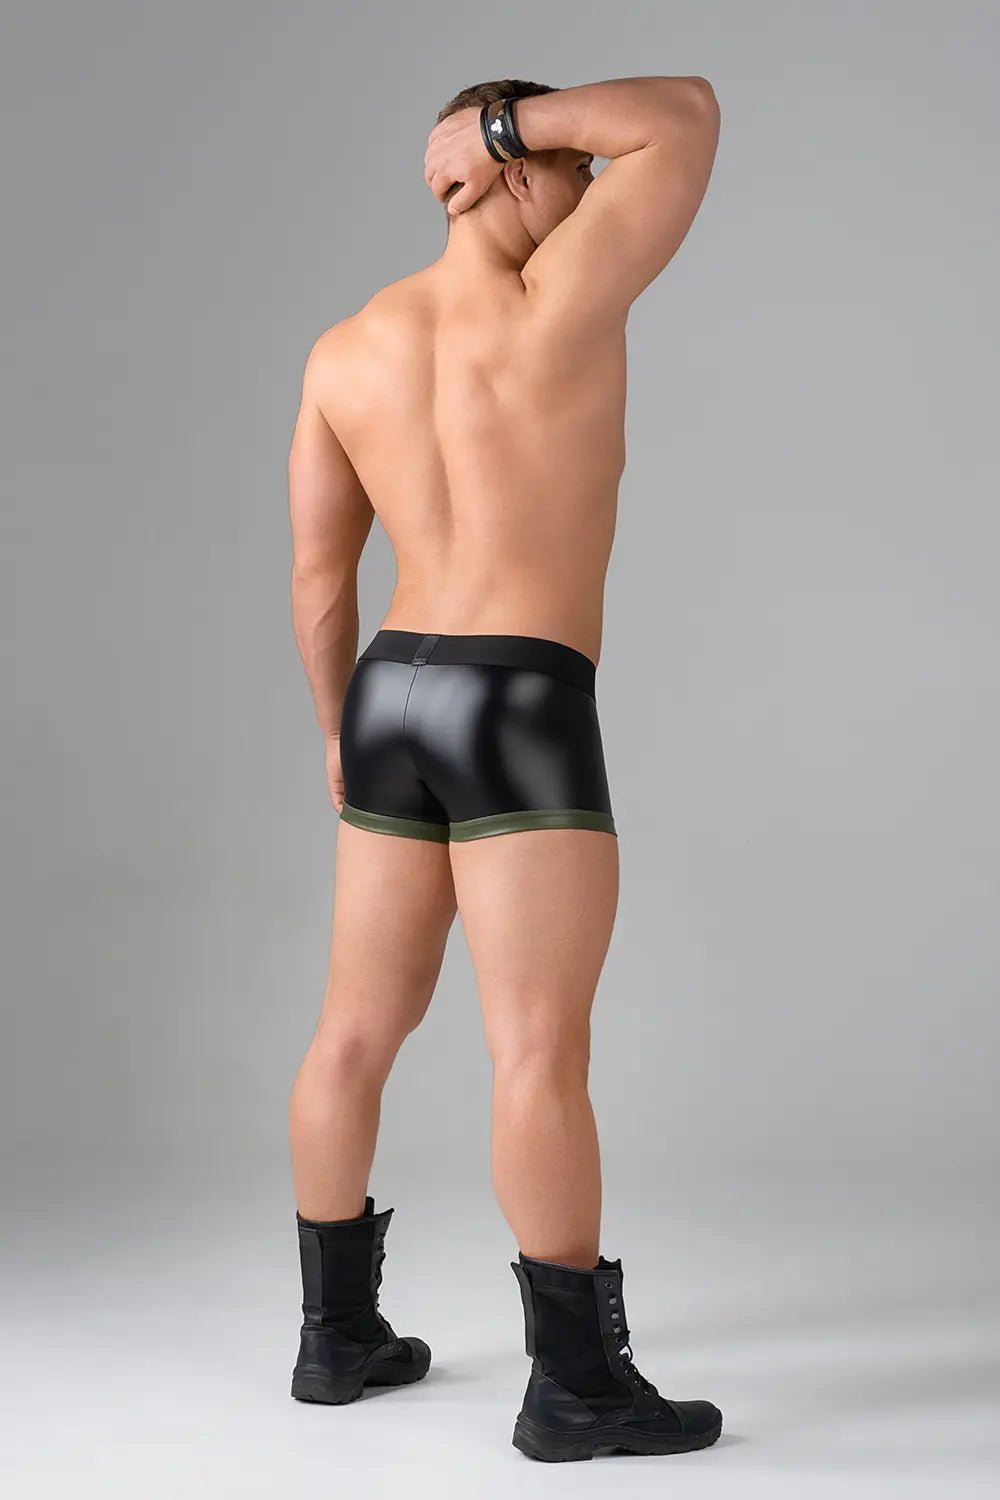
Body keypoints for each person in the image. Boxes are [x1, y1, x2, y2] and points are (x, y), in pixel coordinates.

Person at [285, 75, 722, 1461]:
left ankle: (335, 1339)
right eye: (569, 166)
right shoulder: (561, 299)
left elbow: (318, 580)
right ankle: (578, 1387)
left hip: (390, 692)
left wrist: (338, 731)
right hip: (516, 693)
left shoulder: (345, 348)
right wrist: (504, 130)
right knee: (537, 1049)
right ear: (517, 172)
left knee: (353, 1033)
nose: (591, 192)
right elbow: (686, 115)